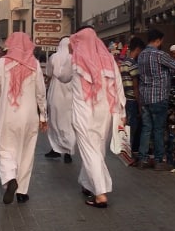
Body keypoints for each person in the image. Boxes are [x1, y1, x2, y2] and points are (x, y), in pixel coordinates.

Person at [53, 26, 126, 208]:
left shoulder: (76, 58)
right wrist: (122, 113)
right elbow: (118, 87)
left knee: (90, 150)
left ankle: (100, 194)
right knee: (97, 148)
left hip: (85, 111)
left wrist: (68, 55)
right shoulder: (108, 58)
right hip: (106, 112)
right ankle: (88, 183)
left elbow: (62, 76)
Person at [0, 32, 47, 204]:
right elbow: (41, 93)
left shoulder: (2, 63)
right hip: (30, 116)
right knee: (27, 152)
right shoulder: (34, 64)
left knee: (4, 149)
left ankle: (10, 179)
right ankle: (22, 191)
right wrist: (43, 116)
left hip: (8, 114)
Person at [137, 29, 175, 170]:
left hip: (145, 97)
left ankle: (142, 159)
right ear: (158, 40)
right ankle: (159, 160)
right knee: (159, 129)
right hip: (159, 96)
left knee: (146, 128)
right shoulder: (160, 55)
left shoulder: (141, 55)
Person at [44, 36, 76, 163]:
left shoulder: (54, 57)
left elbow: (49, 74)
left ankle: (56, 149)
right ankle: (68, 151)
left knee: (55, 121)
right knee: (69, 123)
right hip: (70, 93)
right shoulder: (74, 58)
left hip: (55, 93)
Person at [120, 37, 146, 163]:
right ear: (138, 49)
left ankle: (127, 152)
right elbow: (136, 86)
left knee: (129, 127)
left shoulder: (124, 63)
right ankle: (131, 154)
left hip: (126, 99)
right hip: (133, 100)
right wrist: (140, 104)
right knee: (134, 128)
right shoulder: (133, 65)